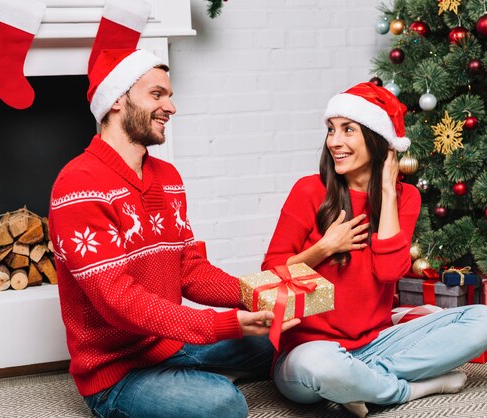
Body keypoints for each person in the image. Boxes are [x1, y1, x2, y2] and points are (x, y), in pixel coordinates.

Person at [48, 48, 299, 418]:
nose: (171, 107)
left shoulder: (168, 179)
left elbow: (191, 271)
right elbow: (120, 302)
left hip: (170, 344)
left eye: (170, 95)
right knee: (224, 404)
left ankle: (188, 378)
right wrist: (220, 325)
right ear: (117, 100)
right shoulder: (78, 185)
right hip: (117, 372)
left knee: (278, 342)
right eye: (157, 94)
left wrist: (260, 294)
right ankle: (187, 386)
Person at [261, 82, 487, 417]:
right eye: (331, 130)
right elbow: (270, 275)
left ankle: (359, 383)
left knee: (485, 321)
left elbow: (390, 272)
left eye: (348, 130)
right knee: (321, 368)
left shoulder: (406, 198)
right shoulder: (308, 191)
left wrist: (388, 191)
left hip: (375, 344)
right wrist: (325, 247)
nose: (335, 142)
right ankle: (407, 389)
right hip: (307, 350)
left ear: (378, 141)